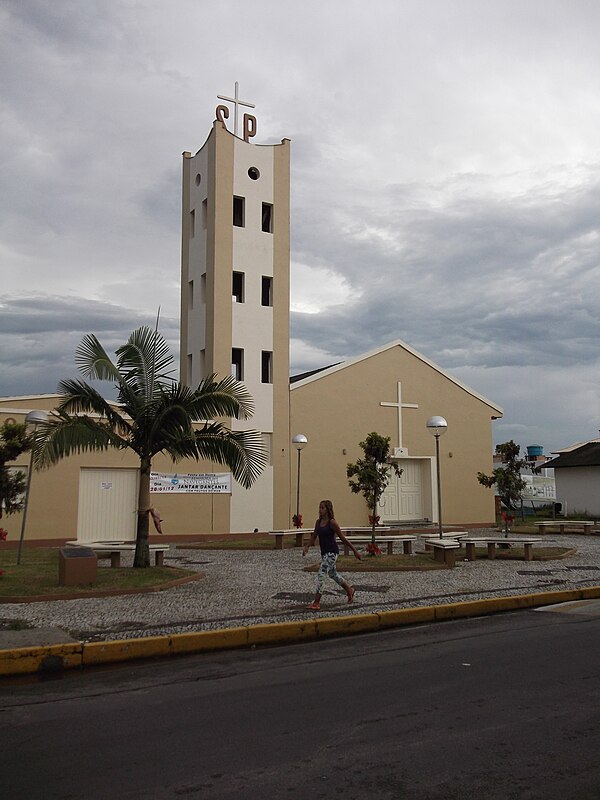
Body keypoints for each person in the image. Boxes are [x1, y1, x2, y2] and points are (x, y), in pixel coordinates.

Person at [302, 499, 361, 611]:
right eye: (319, 507)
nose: (320, 510)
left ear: (328, 509)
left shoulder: (332, 523)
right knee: (333, 574)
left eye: (322, 508)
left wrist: (355, 551)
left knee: (321, 573)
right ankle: (349, 590)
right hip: (324, 553)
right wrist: (307, 547)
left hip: (332, 553)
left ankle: (316, 602)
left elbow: (343, 538)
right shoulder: (318, 522)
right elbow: (314, 536)